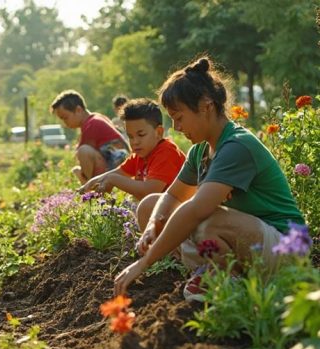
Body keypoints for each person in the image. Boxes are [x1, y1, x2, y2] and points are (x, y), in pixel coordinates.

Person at [113, 57, 305, 301]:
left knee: (209, 220)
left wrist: (144, 262)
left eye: (179, 117)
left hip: (286, 249)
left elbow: (197, 209)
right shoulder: (200, 151)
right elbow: (172, 195)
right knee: (150, 206)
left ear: (206, 106)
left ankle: (234, 283)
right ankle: (210, 270)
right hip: (246, 243)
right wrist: (153, 223)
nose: (176, 127)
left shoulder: (237, 145)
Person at [79, 98, 186, 201]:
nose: (135, 142)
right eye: (130, 136)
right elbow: (117, 172)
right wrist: (89, 185)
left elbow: (149, 191)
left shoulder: (167, 153)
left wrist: (113, 179)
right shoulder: (139, 155)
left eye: (141, 135)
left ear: (158, 132)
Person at [50, 90, 130, 185]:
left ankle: (91, 190)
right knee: (77, 170)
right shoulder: (96, 118)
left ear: (78, 110)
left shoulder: (91, 124)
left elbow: (81, 155)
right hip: (117, 168)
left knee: (83, 151)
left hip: (118, 171)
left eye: (65, 117)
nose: (64, 123)